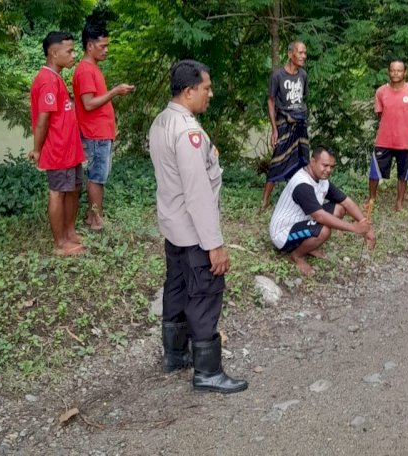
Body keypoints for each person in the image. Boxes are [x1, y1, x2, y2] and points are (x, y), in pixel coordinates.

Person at [149, 60, 247, 394]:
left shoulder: (161, 122)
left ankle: (175, 354)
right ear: (189, 91)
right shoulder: (188, 131)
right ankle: (208, 371)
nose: (210, 93)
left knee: (176, 287)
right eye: (206, 88)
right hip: (193, 232)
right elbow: (198, 193)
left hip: (173, 227)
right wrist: (214, 244)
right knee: (205, 294)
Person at [269, 146, 377, 276]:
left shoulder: (321, 180)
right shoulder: (302, 184)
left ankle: (309, 245)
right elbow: (320, 217)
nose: (328, 170)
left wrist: (366, 226)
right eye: (325, 165)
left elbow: (346, 202)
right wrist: (354, 228)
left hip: (303, 220)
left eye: (332, 167)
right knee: (323, 231)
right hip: (283, 233)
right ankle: (296, 256)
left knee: (340, 208)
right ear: (313, 162)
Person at [72, 22, 135, 231]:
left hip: (101, 131)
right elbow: (88, 103)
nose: (106, 50)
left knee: (99, 175)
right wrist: (115, 91)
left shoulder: (92, 69)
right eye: (102, 46)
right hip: (95, 132)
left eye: (108, 45)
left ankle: (92, 216)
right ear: (90, 46)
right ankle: (96, 219)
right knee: (97, 176)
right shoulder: (85, 71)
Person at [28, 31, 86, 256]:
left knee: (73, 188)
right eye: (69, 51)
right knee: (57, 192)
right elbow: (42, 120)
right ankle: (60, 243)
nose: (74, 55)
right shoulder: (47, 80)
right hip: (58, 148)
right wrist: (37, 149)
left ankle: (69, 232)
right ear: (54, 53)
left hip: (70, 148)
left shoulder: (56, 77)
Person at [261, 41, 309, 210]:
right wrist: (274, 129)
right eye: (300, 52)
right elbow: (271, 101)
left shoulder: (303, 75)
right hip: (284, 122)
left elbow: (303, 98)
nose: (303, 56)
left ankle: (301, 198)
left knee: (301, 161)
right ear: (290, 54)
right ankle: (265, 201)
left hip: (300, 123)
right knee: (277, 159)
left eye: (305, 53)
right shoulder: (277, 76)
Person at [368, 60, 408, 212]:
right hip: (384, 139)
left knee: (403, 174)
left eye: (399, 70)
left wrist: (404, 127)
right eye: (393, 70)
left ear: (405, 72)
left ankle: (399, 203)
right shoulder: (381, 92)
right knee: (375, 171)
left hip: (405, 141)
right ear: (389, 72)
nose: (396, 73)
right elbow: (380, 114)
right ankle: (371, 199)